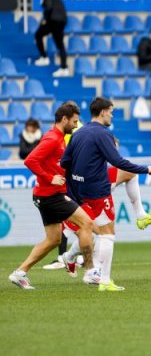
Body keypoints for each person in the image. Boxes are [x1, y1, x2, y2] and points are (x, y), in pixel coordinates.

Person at [60, 97, 151, 292]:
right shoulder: (103, 134)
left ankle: (81, 265)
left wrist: (72, 188)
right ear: (103, 112)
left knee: (92, 231)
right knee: (108, 235)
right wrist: (145, 169)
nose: (112, 115)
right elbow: (118, 161)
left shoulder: (79, 133)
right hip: (97, 192)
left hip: (80, 192)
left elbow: (65, 163)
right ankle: (104, 280)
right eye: (111, 111)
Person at [8, 102, 95, 290]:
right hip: (51, 196)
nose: (75, 125)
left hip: (45, 196)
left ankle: (19, 273)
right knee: (86, 223)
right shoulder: (53, 139)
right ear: (64, 119)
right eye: (74, 121)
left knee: (54, 240)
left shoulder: (59, 137)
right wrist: (50, 178)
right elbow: (30, 160)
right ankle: (90, 272)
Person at [34, 0, 68, 77]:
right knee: (60, 44)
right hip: (62, 21)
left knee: (38, 35)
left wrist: (45, 19)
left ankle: (44, 58)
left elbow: (48, 7)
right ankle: (64, 68)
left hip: (53, 20)